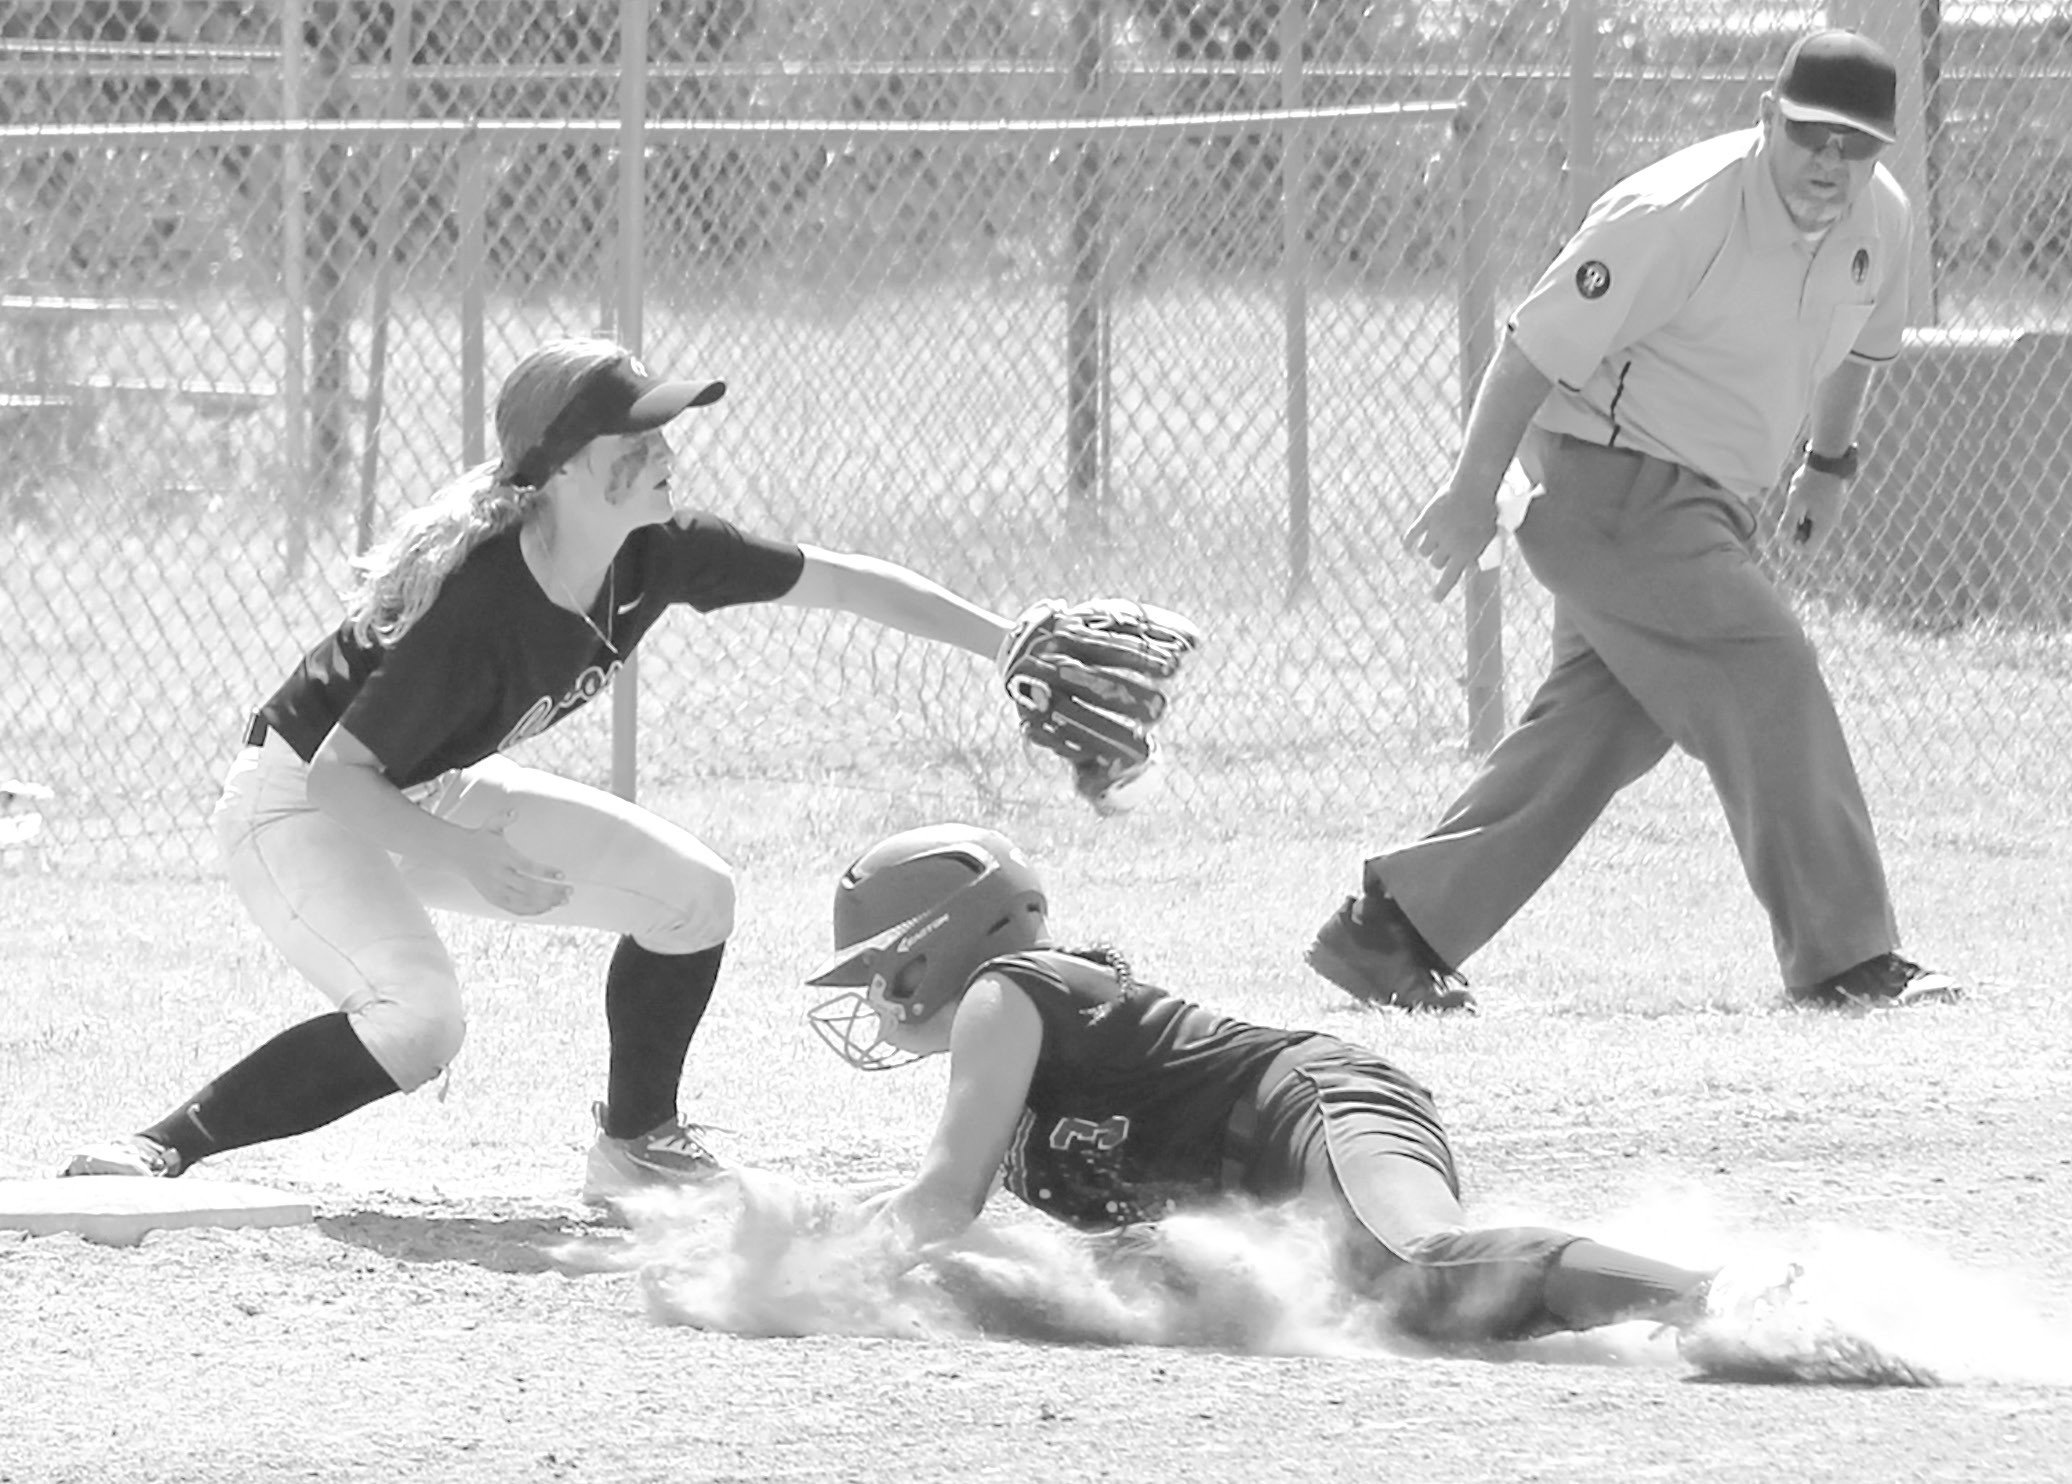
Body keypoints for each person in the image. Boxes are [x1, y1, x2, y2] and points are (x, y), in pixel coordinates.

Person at [57, 335, 1137, 1205]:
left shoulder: (655, 550)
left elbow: (845, 581)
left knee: (692, 895)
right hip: (298, 801)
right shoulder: (482, 599)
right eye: (641, 431)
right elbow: (342, 777)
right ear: (570, 463)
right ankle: (161, 1144)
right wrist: (465, 853)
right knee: (420, 1018)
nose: (668, 444)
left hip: (421, 785)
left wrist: (1002, 642)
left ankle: (634, 1142)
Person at [1306, 29, 1965, 1014]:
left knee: (1597, 727)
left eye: (1854, 144)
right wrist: (1467, 485)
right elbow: (1530, 345)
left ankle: (1392, 928)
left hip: (1703, 506)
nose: (1829, 161)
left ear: (1880, 150)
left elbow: (1856, 353)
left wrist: (1829, 465)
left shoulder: (1880, 218)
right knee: (1766, 663)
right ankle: (1844, 956)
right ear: (1764, 118)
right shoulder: (1675, 212)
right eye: (1809, 135)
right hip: (1604, 490)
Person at [802, 821, 1728, 1349]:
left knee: (1413, 1259)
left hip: (1318, 1105)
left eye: (879, 968)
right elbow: (908, 1203)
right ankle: (1663, 1294)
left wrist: (810, 1291)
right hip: (1292, 1155)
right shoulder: (1010, 1048)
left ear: (936, 942)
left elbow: (939, 1201)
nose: (876, 999)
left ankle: (1724, 1301)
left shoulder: (1004, 993)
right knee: (1398, 1308)